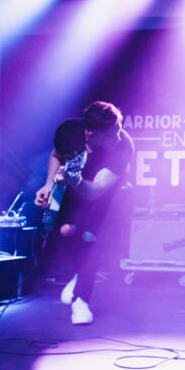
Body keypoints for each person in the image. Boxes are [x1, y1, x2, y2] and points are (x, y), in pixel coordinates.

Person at [35, 101, 134, 325]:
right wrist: (48, 185)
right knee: (65, 232)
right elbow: (56, 155)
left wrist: (75, 179)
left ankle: (81, 300)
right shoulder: (68, 131)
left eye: (118, 131)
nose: (117, 137)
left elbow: (95, 192)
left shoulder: (123, 146)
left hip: (108, 195)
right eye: (111, 134)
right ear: (90, 133)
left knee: (92, 242)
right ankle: (79, 274)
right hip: (75, 190)